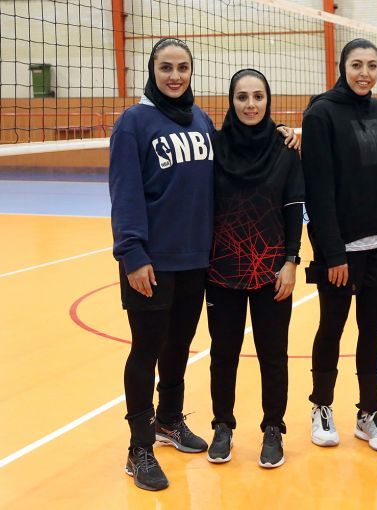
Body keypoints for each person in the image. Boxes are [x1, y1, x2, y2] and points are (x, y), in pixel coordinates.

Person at [110, 37, 213, 491]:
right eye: (166, 67)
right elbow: (125, 193)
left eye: (182, 68)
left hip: (195, 259)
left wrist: (280, 135)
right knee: (146, 349)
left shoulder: (202, 119)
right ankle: (139, 448)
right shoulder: (133, 123)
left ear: (191, 72)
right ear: (152, 71)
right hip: (150, 261)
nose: (175, 76)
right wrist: (132, 254)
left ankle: (169, 419)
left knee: (179, 345)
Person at [205, 69, 304, 469]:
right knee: (223, 354)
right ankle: (222, 426)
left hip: (272, 269)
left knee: (273, 354)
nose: (250, 104)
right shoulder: (214, 146)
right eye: (242, 97)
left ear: (268, 100)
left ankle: (273, 428)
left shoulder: (285, 148)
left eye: (258, 96)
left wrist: (291, 261)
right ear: (231, 101)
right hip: (222, 269)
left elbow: (293, 207)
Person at [301, 38, 377, 452]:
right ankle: (321, 406)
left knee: (373, 330)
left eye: (372, 65)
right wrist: (333, 252)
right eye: (356, 65)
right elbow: (318, 190)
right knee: (332, 327)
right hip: (341, 249)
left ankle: (368, 413)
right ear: (343, 67)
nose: (364, 73)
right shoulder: (321, 113)